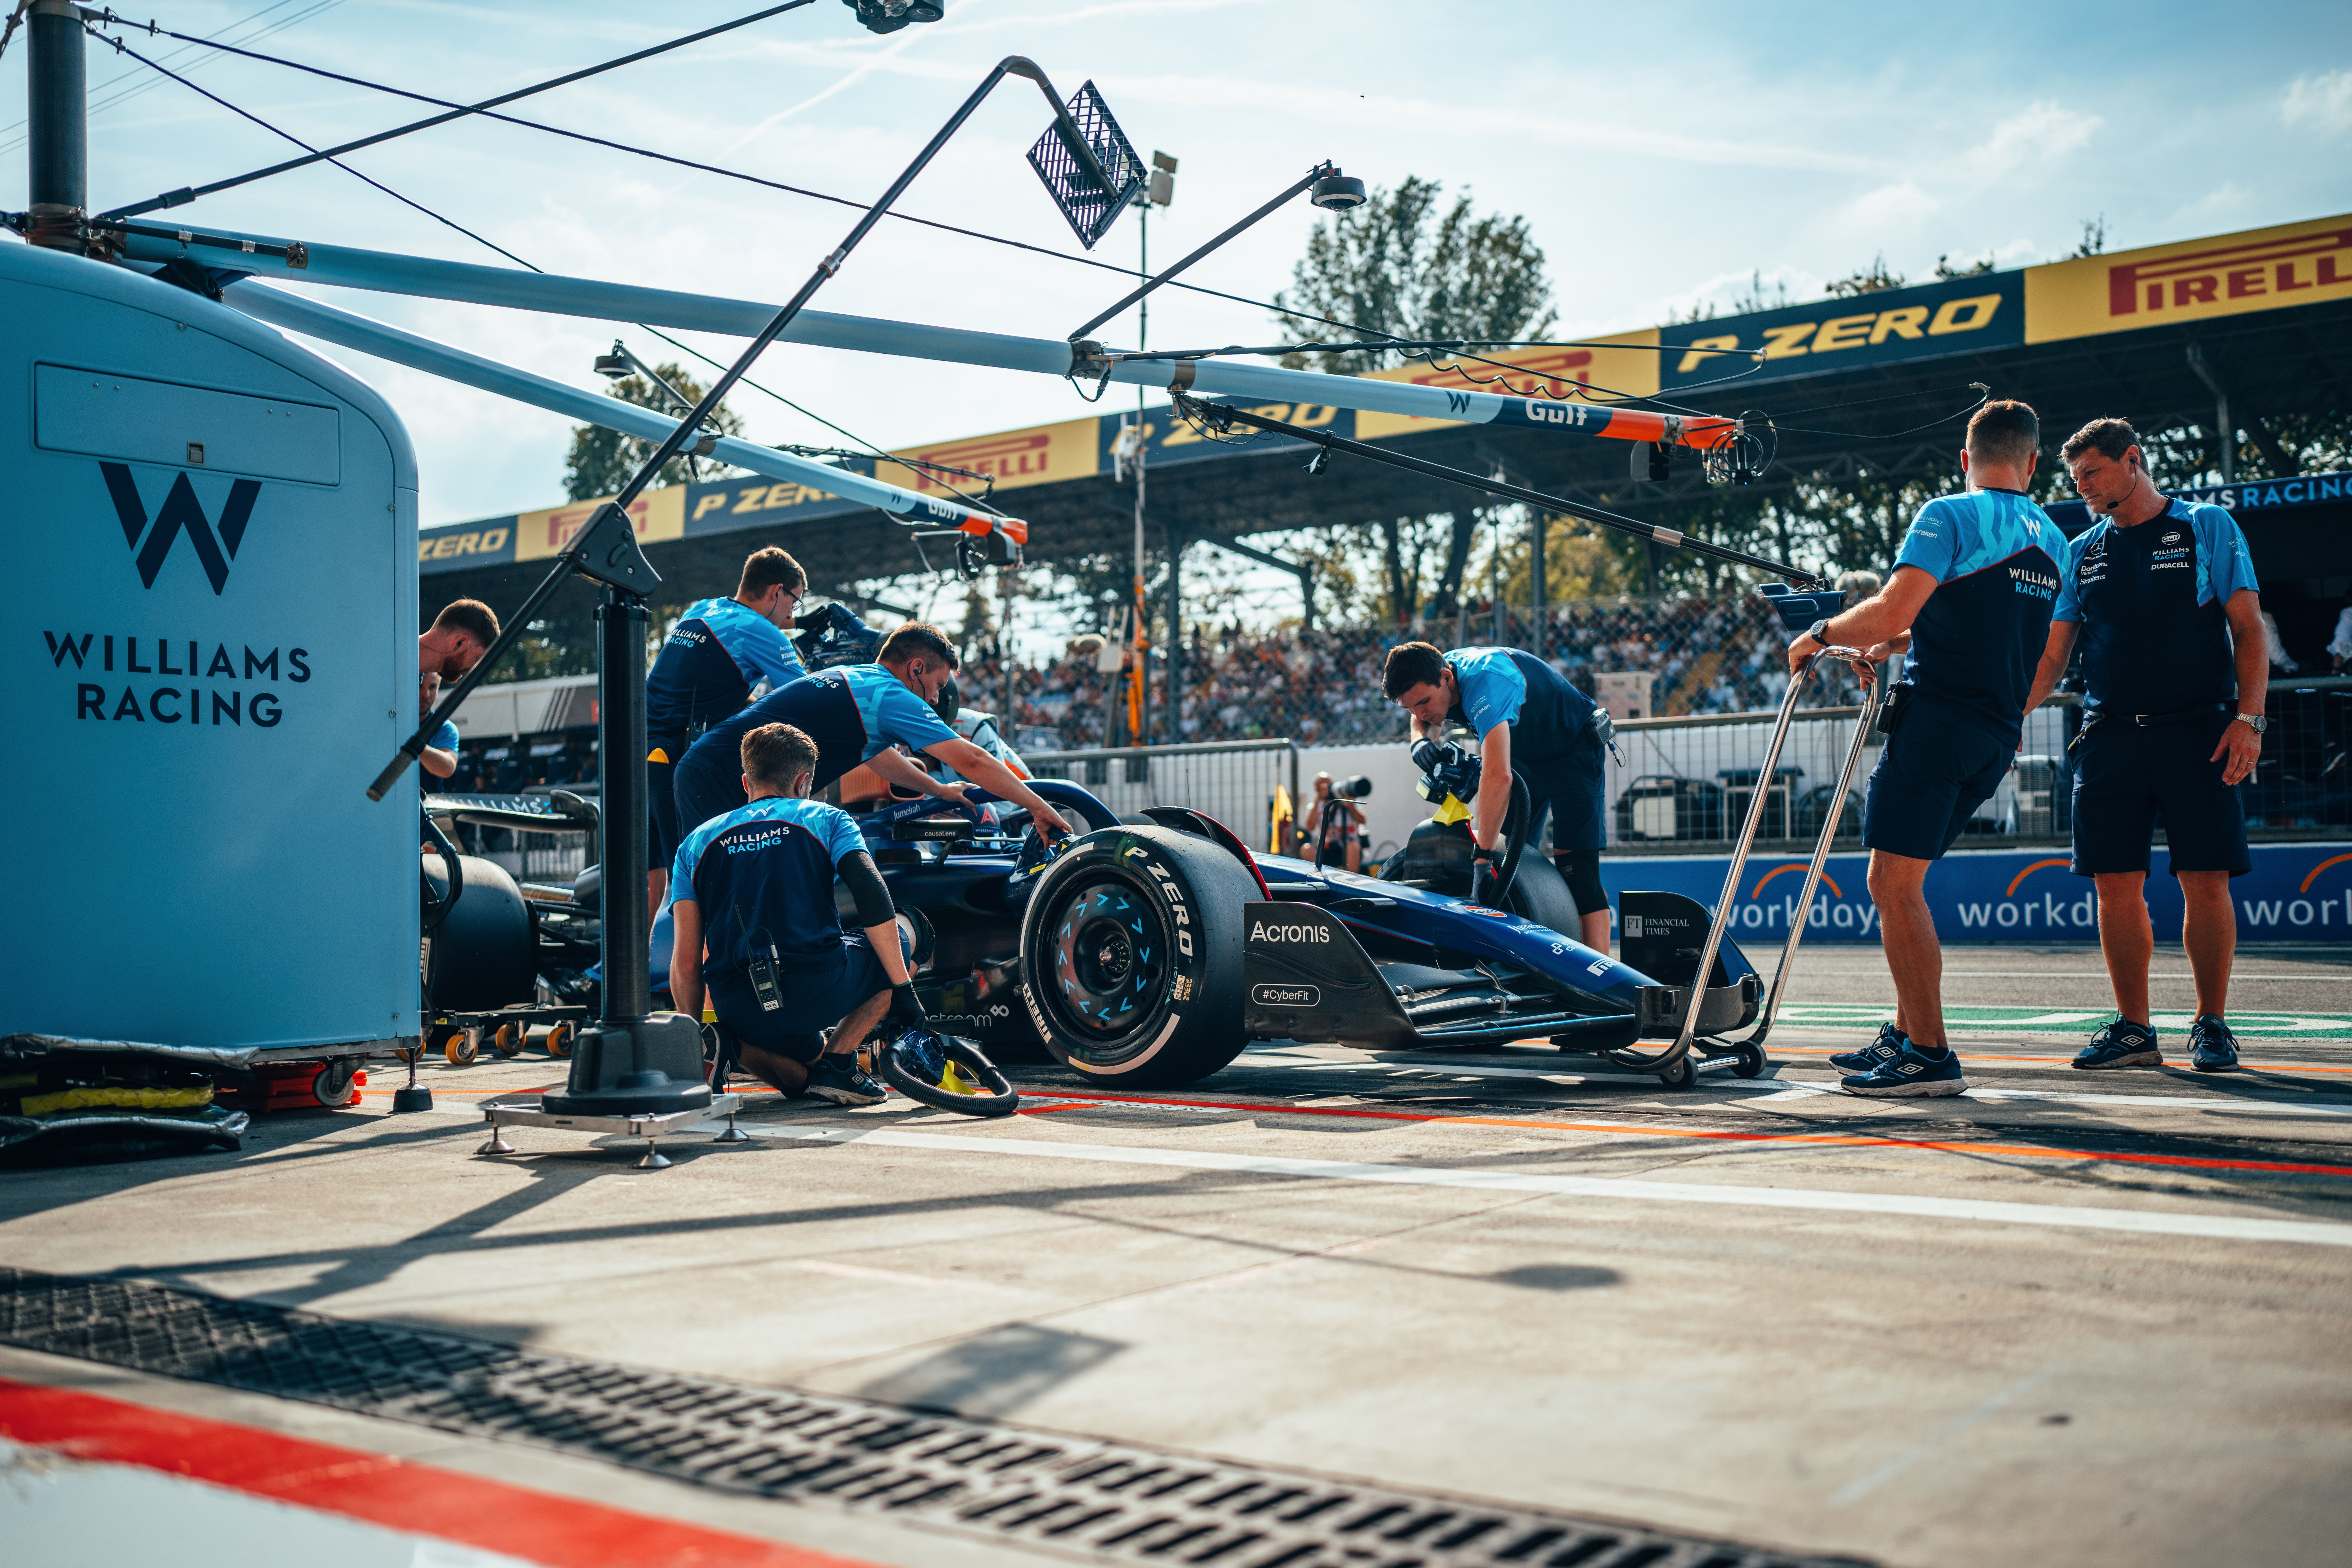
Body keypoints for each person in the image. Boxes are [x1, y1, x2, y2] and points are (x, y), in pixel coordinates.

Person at [1785, 399, 2066, 1097]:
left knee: (1891, 885)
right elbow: (2025, 645)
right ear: (2033, 462)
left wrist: (1818, 633)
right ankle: (1910, 1032)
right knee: (1903, 883)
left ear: (1964, 458)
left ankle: (1930, 1054)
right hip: (1996, 732)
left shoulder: (1950, 513)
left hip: (1939, 722)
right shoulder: (2056, 538)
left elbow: (1891, 606)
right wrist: (1899, 641)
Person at [2023, 417, 2265, 1073]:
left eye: (2092, 474)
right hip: (2108, 735)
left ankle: (2210, 1023)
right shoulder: (2081, 550)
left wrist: (2250, 718)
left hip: (2199, 730)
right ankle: (2134, 1029)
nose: (2082, 489)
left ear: (2132, 461)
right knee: (2114, 884)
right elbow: (2051, 659)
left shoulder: (2205, 526)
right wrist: (2005, 712)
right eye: (2075, 479)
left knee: (2204, 879)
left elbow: (2247, 629)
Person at [667, 723, 919, 1106]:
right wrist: (904, 992)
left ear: (745, 780)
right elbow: (872, 893)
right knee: (909, 933)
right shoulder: (828, 819)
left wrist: (691, 1036)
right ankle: (840, 1061)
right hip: (816, 987)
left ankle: (728, 1046)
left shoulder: (694, 843)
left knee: (803, 1080)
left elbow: (686, 963)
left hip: (738, 1004)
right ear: (803, 781)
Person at [672, 622, 1072, 844]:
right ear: (916, 668)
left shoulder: (860, 681)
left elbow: (879, 756)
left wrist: (939, 791)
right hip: (720, 775)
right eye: (936, 685)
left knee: (719, 897)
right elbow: (972, 759)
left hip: (710, 769)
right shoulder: (890, 695)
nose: (935, 699)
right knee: (720, 900)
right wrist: (1039, 806)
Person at [1382, 641, 1613, 953]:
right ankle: (1523, 962)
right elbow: (1421, 718)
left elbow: (1498, 776)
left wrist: (1482, 856)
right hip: (1523, 758)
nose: (1420, 712)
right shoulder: (1433, 673)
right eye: (1409, 707)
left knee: (1577, 871)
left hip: (1572, 752)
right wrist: (1419, 742)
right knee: (1510, 864)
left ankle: (1598, 981)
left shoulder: (1486, 682)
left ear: (1446, 677)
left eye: (1424, 701)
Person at [645, 547, 810, 915]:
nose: (789, 616)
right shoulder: (761, 630)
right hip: (678, 757)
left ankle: (623, 969)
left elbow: (704, 681)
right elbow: (806, 697)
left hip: (640, 748)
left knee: (653, 874)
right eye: (793, 602)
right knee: (693, 881)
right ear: (776, 591)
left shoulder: (701, 609)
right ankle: (696, 972)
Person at [420, 599, 499, 684]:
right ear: (460, 642)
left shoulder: (412, 681)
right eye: (478, 658)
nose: (473, 669)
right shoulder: (407, 676)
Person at [1302, 773, 1367, 872]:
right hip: (1327, 850)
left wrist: (1351, 808)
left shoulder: (1347, 799)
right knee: (1306, 849)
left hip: (1348, 849)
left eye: (1329, 785)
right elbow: (1310, 827)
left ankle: (1350, 882)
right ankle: (1320, 877)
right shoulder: (1315, 806)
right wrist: (1317, 800)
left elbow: (1363, 821)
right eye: (1323, 786)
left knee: (1352, 846)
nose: (1327, 789)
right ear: (1317, 789)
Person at [418, 672, 459, 781]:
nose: (426, 695)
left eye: (432, 687)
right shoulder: (392, 721)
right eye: (420, 685)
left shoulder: (444, 728)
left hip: (430, 798)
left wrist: (414, 744)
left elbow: (448, 768)